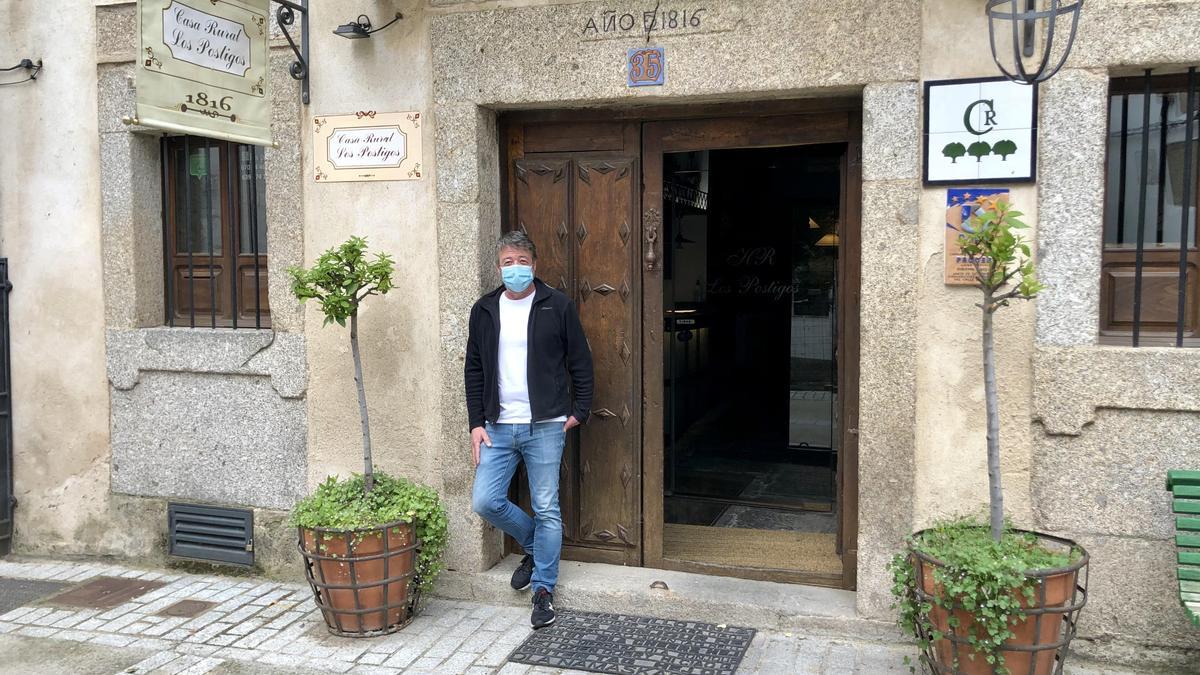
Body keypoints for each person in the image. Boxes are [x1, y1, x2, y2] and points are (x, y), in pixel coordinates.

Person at [465, 230, 594, 629]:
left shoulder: (557, 305)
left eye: (522, 261)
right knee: (485, 501)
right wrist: (475, 423)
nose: (515, 268)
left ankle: (543, 590)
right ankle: (537, 546)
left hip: (546, 425)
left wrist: (579, 410)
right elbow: (474, 368)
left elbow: (581, 362)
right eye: (508, 262)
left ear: (534, 266)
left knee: (546, 506)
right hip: (498, 426)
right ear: (498, 266)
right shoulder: (485, 309)